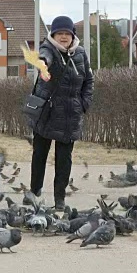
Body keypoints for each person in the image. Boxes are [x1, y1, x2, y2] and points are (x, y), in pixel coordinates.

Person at [25, 15, 94, 210]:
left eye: (67, 33)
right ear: (53, 34)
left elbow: (89, 80)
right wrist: (43, 63)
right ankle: (35, 191)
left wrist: (84, 103)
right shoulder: (49, 49)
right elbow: (44, 56)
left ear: (73, 35)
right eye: (59, 33)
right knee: (40, 154)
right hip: (47, 111)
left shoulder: (80, 54)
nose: (63, 37)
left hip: (70, 115)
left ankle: (59, 199)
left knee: (64, 161)